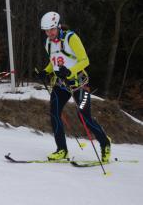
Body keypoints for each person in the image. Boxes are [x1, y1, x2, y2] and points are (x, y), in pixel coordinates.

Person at [36, 11, 111, 162]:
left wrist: (70, 71)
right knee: (54, 113)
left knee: (84, 117)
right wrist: (46, 71)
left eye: (51, 29)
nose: (49, 33)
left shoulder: (71, 38)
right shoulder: (48, 42)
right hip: (60, 84)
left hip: (79, 84)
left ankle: (105, 143)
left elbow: (85, 60)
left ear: (58, 26)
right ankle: (62, 150)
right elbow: (55, 60)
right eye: (46, 31)